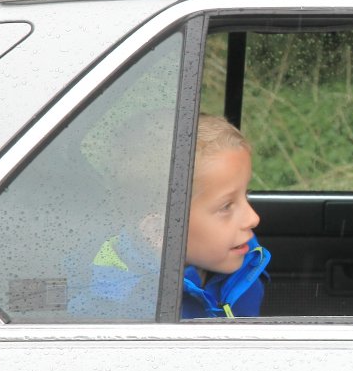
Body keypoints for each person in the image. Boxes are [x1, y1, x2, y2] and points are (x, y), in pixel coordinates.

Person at [72, 113, 270, 319]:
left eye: (246, 195)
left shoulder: (246, 264)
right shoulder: (116, 310)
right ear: (159, 230)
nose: (253, 218)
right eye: (226, 206)